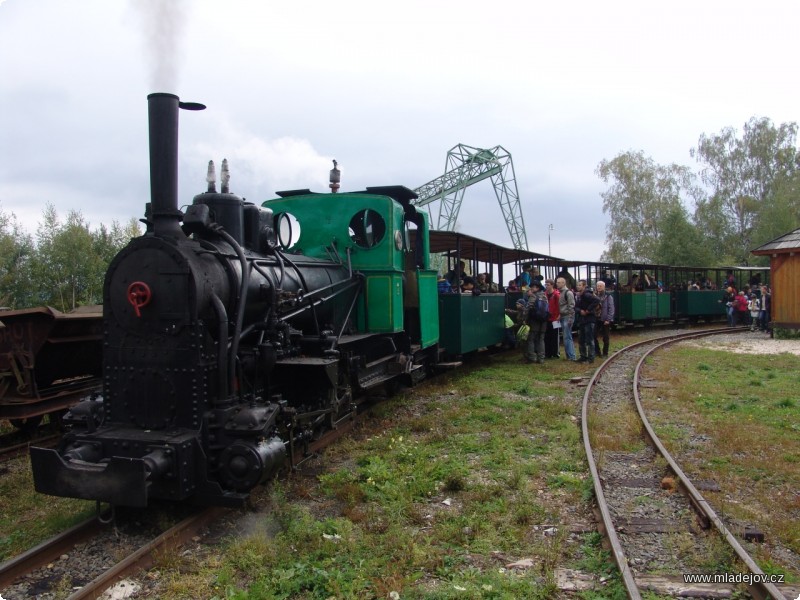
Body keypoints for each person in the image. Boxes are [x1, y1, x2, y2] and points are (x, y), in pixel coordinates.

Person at [575, 279, 600, 363]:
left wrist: (588, 310)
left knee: (589, 339)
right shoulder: (579, 296)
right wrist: (580, 311)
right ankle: (583, 356)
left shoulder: (587, 294)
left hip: (589, 319)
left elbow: (596, 300)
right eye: (577, 285)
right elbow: (576, 307)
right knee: (581, 339)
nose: (578, 286)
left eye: (580, 285)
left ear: (584, 286)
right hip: (582, 319)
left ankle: (590, 358)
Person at [523, 281, 548, 364]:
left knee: (531, 339)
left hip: (534, 321)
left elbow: (528, 309)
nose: (531, 289)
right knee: (541, 339)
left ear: (537, 288)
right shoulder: (544, 296)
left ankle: (532, 357)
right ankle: (541, 358)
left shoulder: (533, 296)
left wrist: (524, 319)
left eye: (533, 287)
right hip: (543, 321)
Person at [556, 276, 576, 361]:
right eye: (557, 282)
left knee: (567, 337)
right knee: (566, 337)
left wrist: (571, 319)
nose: (557, 284)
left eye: (558, 282)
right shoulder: (561, 293)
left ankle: (571, 356)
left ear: (563, 283)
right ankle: (569, 355)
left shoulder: (568, 293)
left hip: (568, 316)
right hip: (563, 316)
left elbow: (571, 306)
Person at [593, 280, 615, 357]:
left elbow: (611, 308)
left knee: (606, 337)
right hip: (597, 318)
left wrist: (608, 319)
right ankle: (597, 352)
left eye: (600, 286)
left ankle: (605, 353)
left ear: (604, 287)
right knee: (593, 335)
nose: (599, 287)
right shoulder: (594, 295)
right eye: (598, 286)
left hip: (605, 319)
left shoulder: (608, 296)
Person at [544, 278, 561, 358]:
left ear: (552, 285)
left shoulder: (556, 295)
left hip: (555, 318)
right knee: (547, 336)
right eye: (546, 285)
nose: (546, 286)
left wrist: (559, 315)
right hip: (547, 318)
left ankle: (556, 352)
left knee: (555, 336)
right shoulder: (545, 294)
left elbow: (559, 306)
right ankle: (548, 353)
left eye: (548, 285)